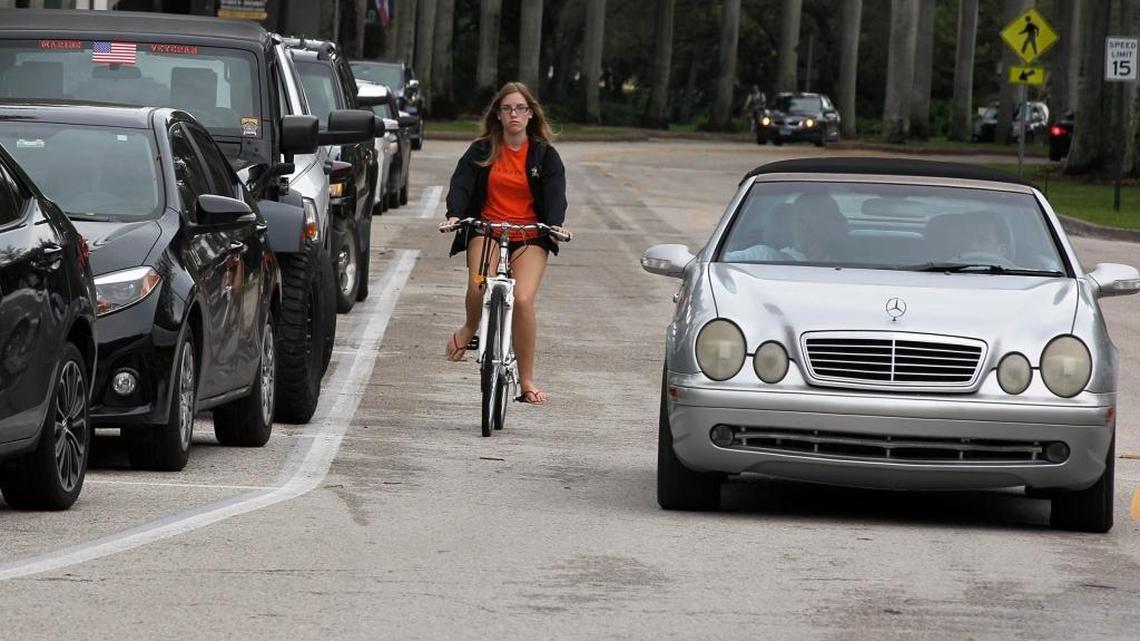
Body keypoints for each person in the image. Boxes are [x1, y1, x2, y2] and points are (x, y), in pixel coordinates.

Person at [439, 82, 570, 406]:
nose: (514, 114)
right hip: (488, 229)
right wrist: (455, 215)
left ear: (530, 115)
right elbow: (462, 184)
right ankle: (471, 327)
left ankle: (526, 380)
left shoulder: (544, 155)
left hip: (530, 235)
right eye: (508, 109)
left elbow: (555, 194)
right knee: (478, 285)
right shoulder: (481, 150)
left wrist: (554, 224)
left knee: (523, 300)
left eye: (520, 109)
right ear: (498, 115)